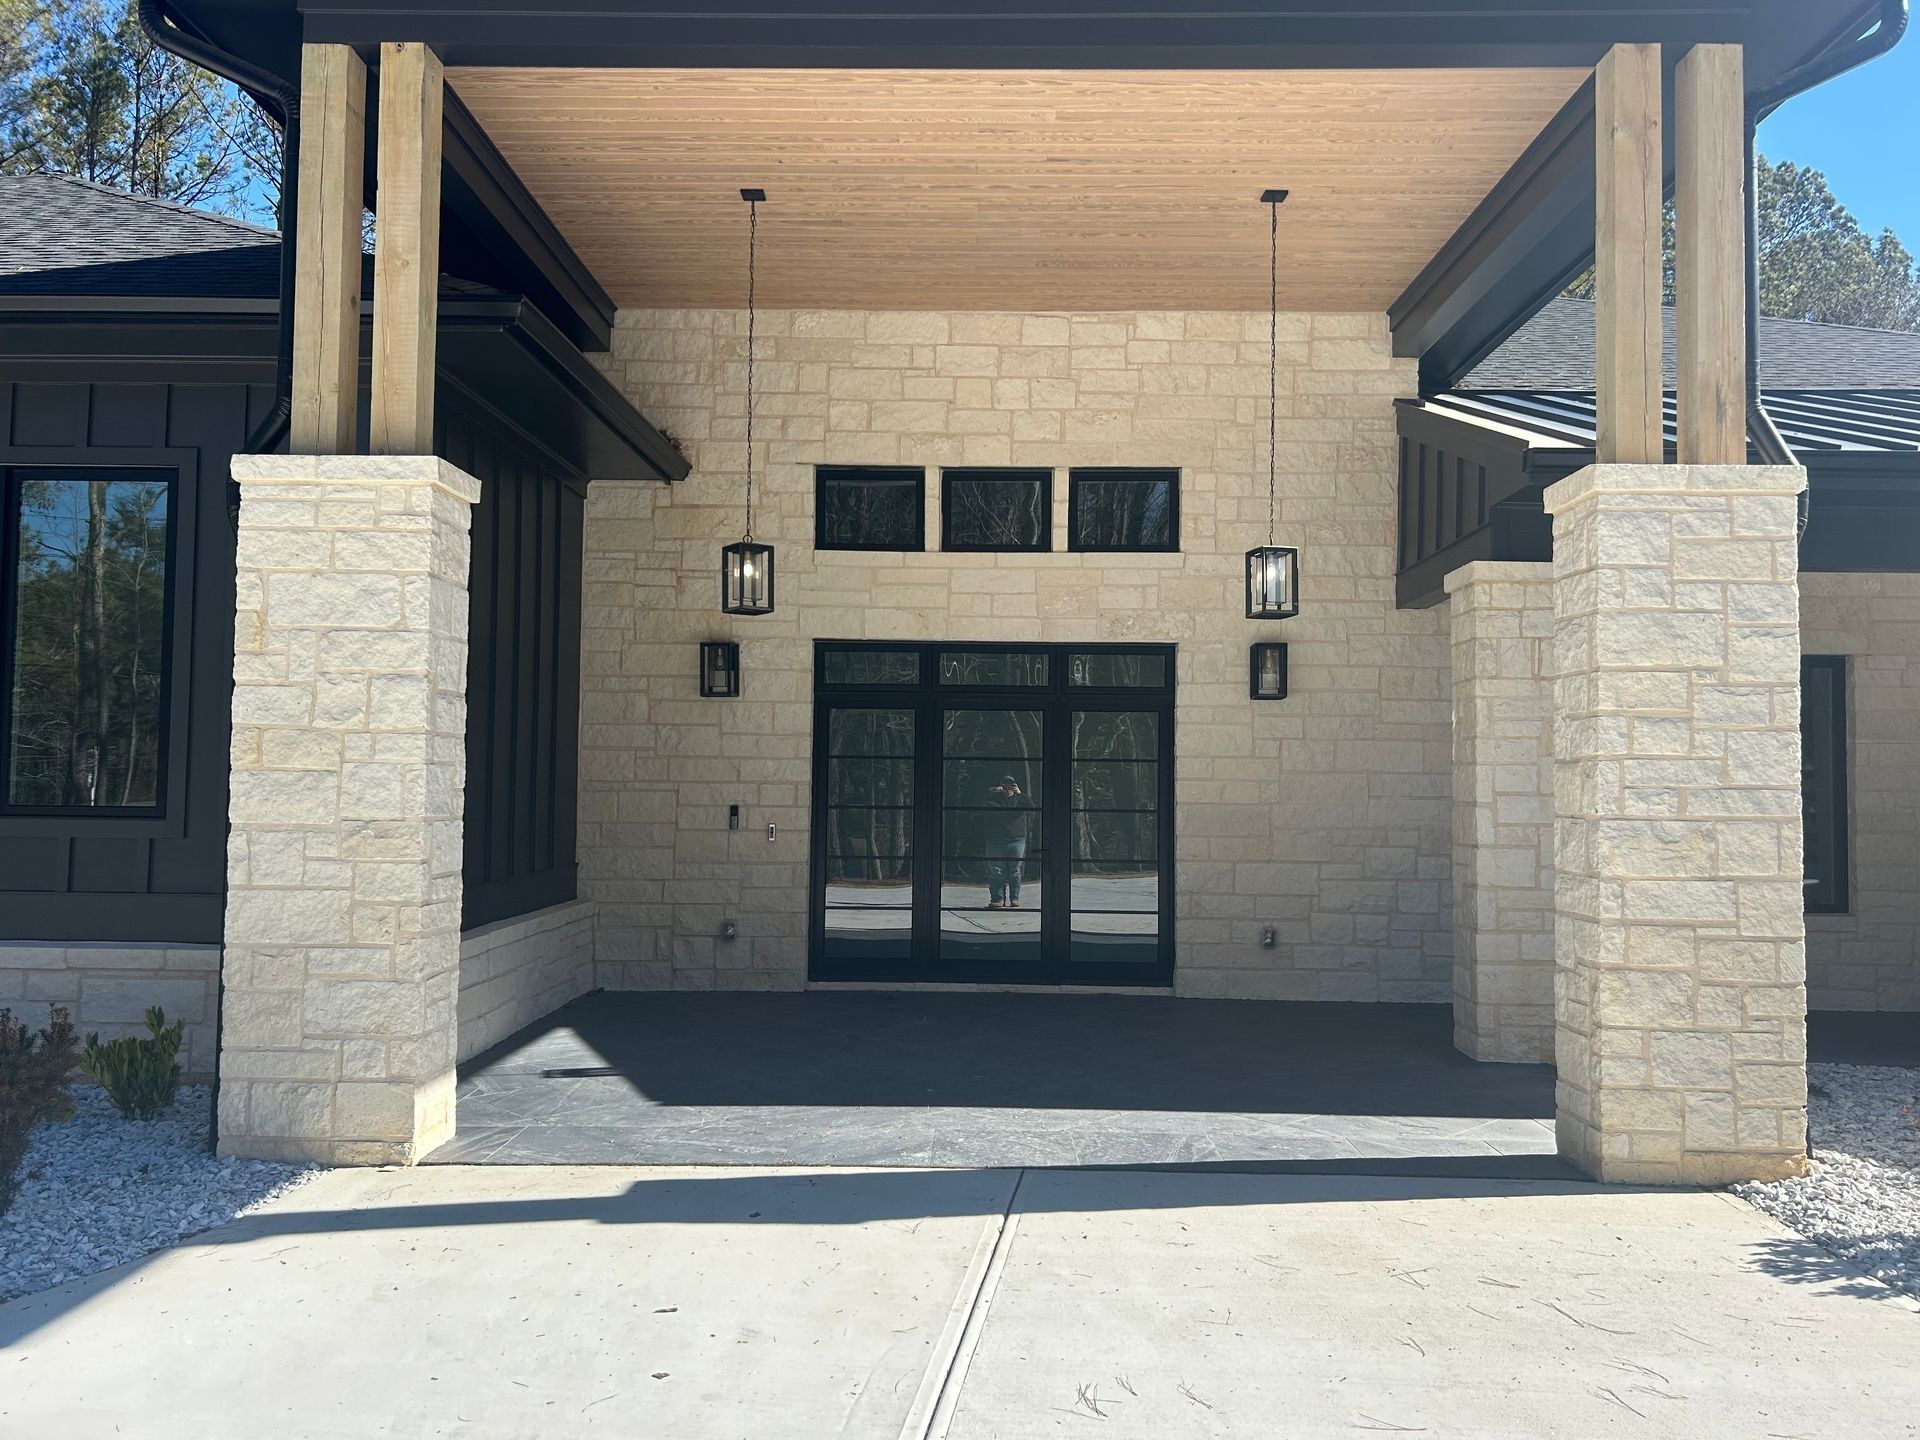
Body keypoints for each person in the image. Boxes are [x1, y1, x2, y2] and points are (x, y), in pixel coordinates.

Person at [984, 774, 1028, 910]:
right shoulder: (993, 799)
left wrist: (1020, 794)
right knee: (996, 871)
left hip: (1017, 839)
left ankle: (1015, 898)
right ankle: (997, 899)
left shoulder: (1020, 799)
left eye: (1011, 785)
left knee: (1015, 871)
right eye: (1005, 785)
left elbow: (1031, 806)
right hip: (995, 840)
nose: (1008, 788)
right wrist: (992, 794)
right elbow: (987, 809)